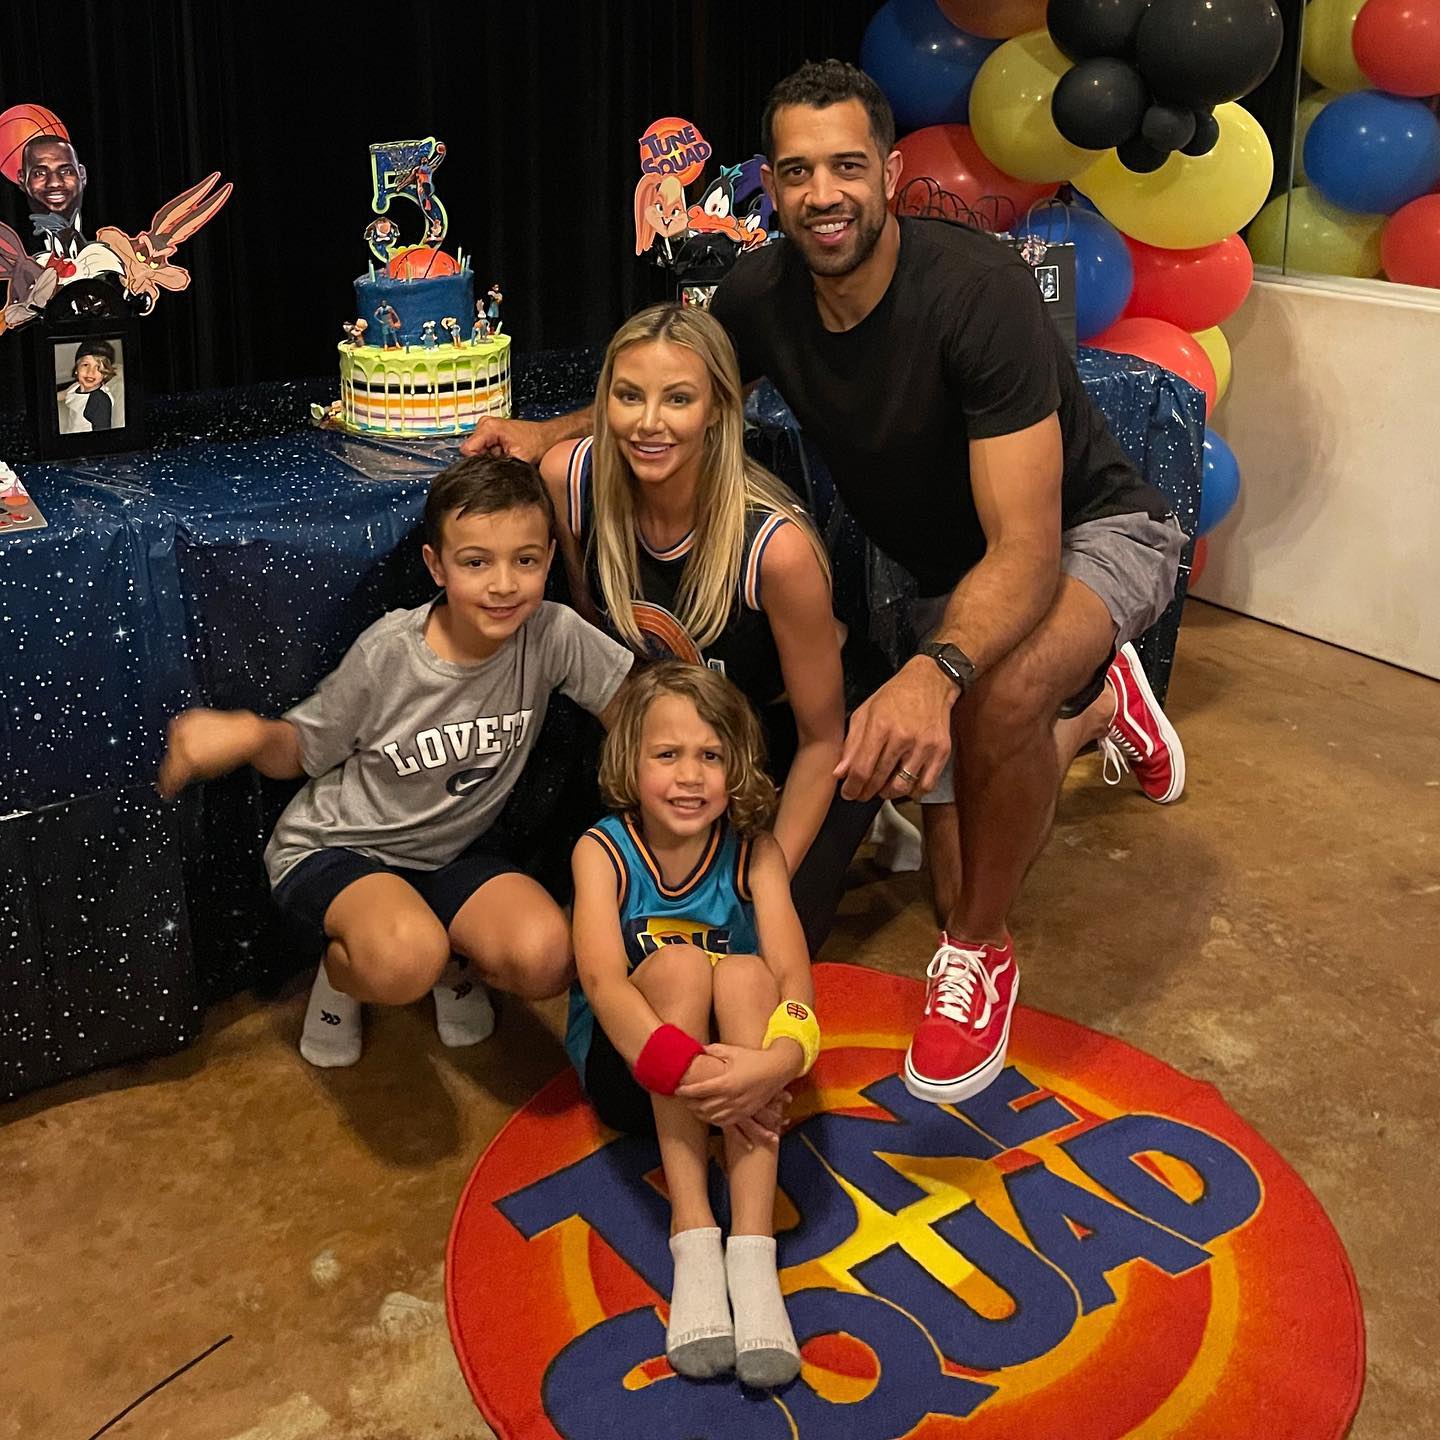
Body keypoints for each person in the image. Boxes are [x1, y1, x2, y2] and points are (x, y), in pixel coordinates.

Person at [463, 62, 1187, 1109]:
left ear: (889, 171)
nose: (823, 194)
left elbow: (1026, 552)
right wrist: (548, 434)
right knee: (962, 813)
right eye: (797, 172)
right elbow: (674, 384)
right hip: (936, 566)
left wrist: (938, 670)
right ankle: (1104, 700)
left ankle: (979, 953)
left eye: (847, 166)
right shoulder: (763, 292)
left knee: (1001, 701)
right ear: (773, 183)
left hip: (1082, 533)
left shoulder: (976, 290)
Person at [157, 455, 634, 1067]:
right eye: (476, 561)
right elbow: (302, 752)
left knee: (546, 957)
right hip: (338, 846)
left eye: (526, 560)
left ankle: (445, 960)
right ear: (436, 565)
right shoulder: (390, 652)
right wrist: (250, 735)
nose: (504, 584)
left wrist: (677, 780)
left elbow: (631, 709)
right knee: (404, 958)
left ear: (548, 557)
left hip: (450, 853)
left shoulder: (552, 631)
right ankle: (342, 976)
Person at [538, 302, 875, 953]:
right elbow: (602, 645)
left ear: (719, 410)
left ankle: (1094, 711)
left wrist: (761, 875)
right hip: (691, 735)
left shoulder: (775, 549)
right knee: (626, 928)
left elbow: (820, 738)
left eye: (679, 399)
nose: (649, 423)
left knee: (744, 942)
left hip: (806, 730)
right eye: (629, 396)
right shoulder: (571, 483)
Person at [568, 662, 814, 1387]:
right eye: (667, 755)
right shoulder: (603, 850)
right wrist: (693, 1071)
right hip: (635, 1070)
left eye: (711, 755)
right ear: (630, 762)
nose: (690, 776)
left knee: (744, 973)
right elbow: (602, 984)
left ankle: (753, 1249)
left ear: (737, 766)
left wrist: (773, 1066)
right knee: (676, 968)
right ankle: (694, 1233)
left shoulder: (754, 853)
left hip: (739, 1080)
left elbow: (796, 981)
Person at [57, 339, 124, 433]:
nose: (90, 372)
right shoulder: (76, 386)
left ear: (105, 374)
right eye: (85, 365)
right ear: (76, 369)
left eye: (98, 367)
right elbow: (63, 395)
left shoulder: (99, 400)